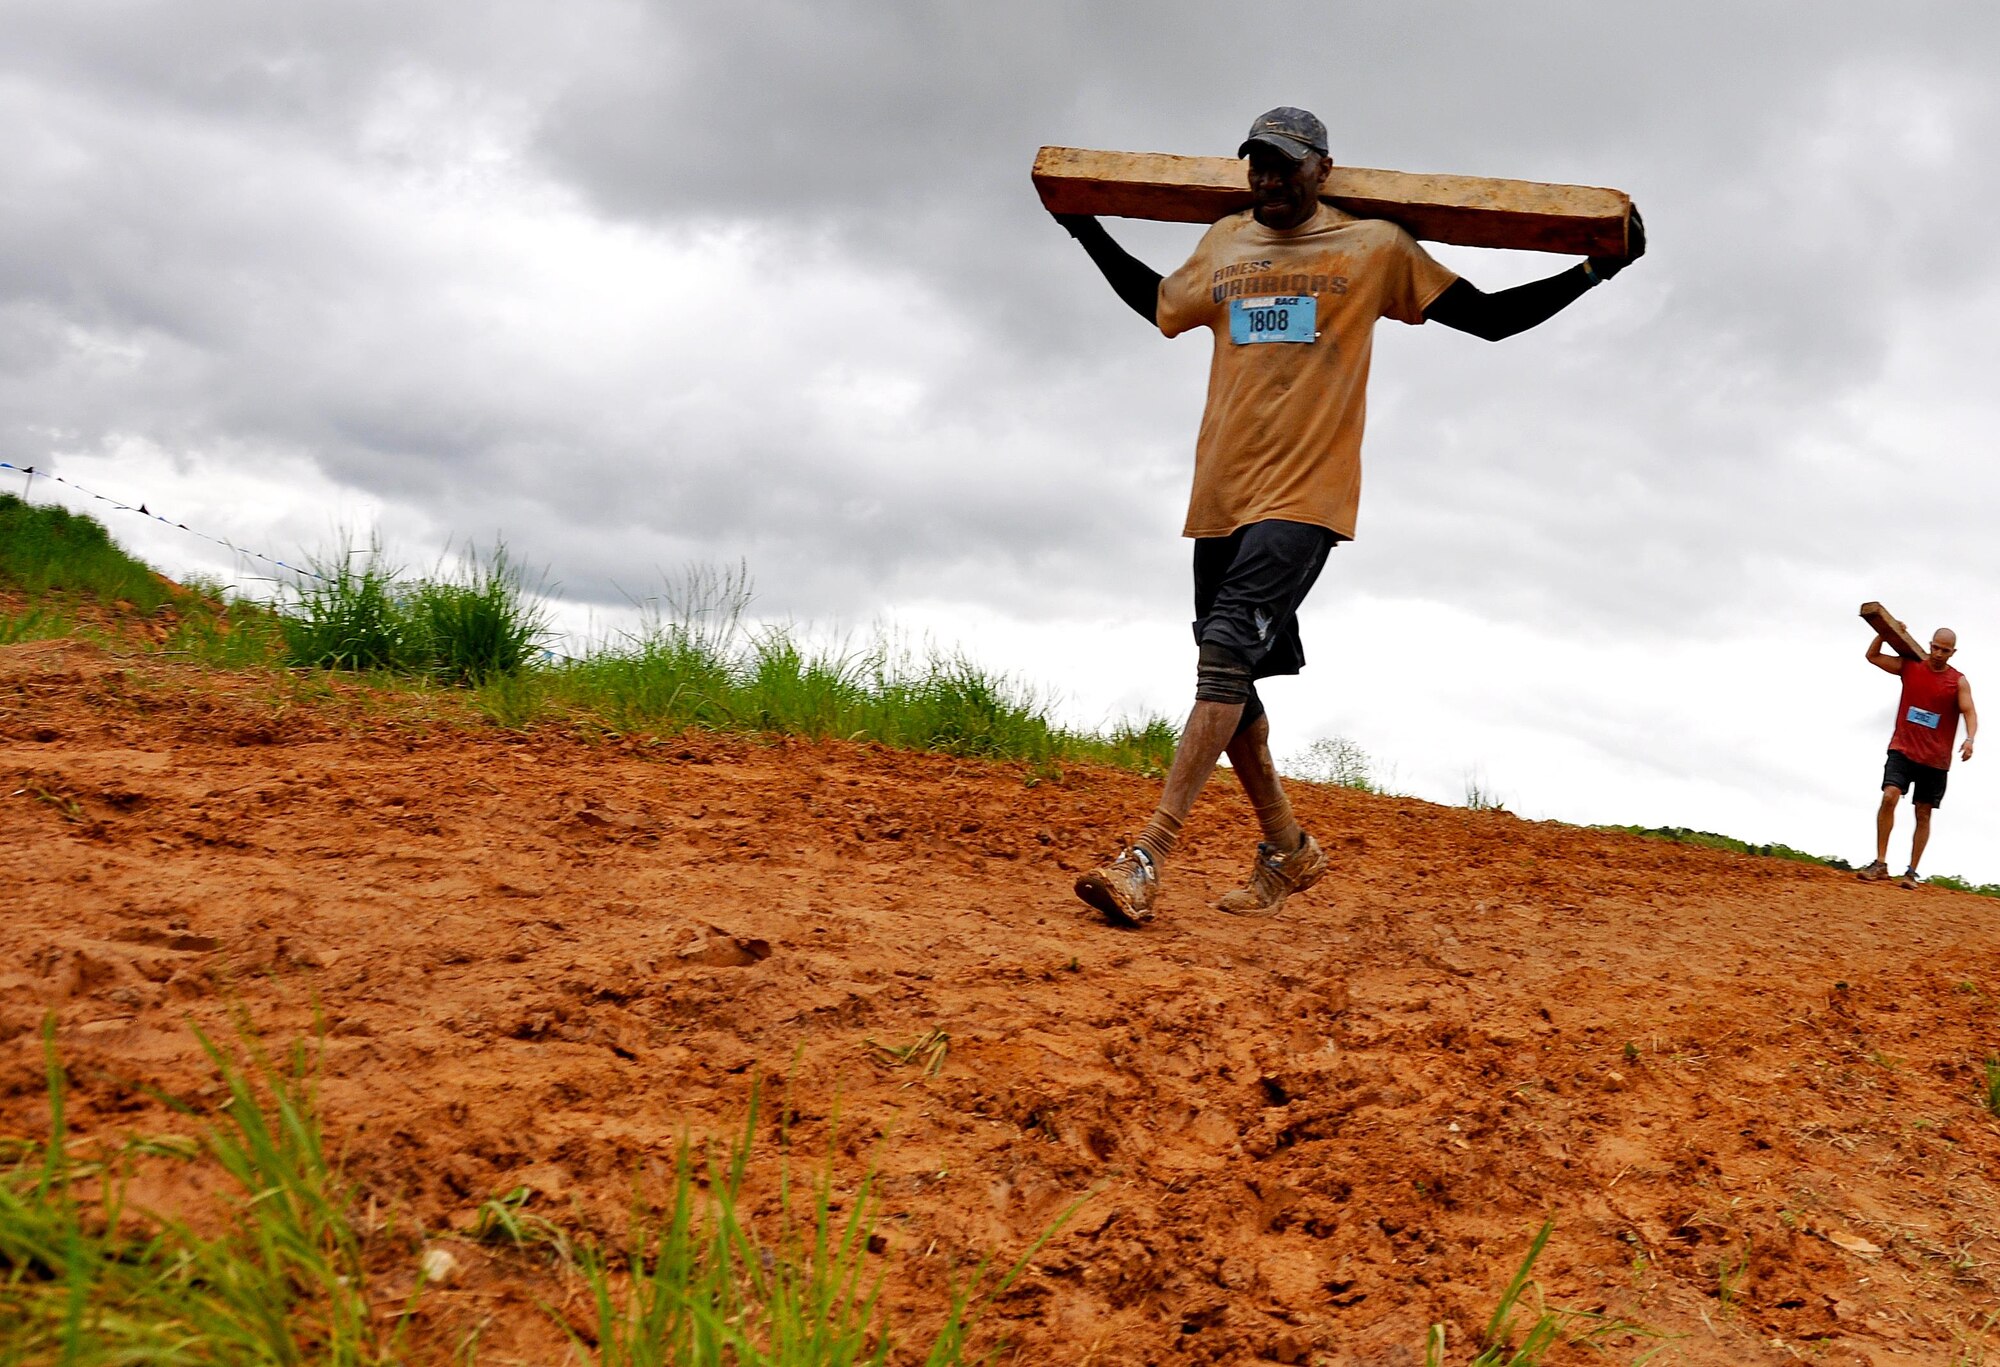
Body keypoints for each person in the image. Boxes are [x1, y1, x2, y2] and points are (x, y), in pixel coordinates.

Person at [1055, 106, 1646, 926]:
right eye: (1256, 163)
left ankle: (1148, 856)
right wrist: (1083, 228)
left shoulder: (1373, 249)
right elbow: (1156, 300)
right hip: (1221, 493)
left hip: (1307, 494)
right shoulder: (1224, 241)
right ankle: (1289, 850)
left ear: (1322, 169)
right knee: (1233, 688)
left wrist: (1593, 273)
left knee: (1224, 657)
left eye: (1284, 165)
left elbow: (1491, 319)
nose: (1266, 179)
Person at [1857, 627, 1977, 888]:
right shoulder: (1911, 666)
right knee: (1889, 796)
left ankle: (1911, 872)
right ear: (1930, 645)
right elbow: (1872, 656)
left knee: (1923, 813)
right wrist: (1886, 633)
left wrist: (1969, 739)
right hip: (1903, 749)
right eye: (1936, 647)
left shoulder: (1958, 681)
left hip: (1935, 759)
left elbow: (1969, 712)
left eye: (1945, 650)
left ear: (1952, 652)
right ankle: (1880, 863)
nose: (1939, 653)